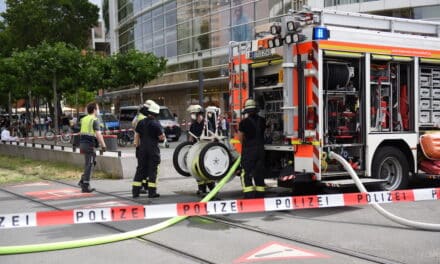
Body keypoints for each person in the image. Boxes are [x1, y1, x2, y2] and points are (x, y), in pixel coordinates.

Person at [132, 100, 164, 198]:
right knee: (152, 171)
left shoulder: (141, 122)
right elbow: (161, 137)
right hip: (153, 150)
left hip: (142, 150)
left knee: (140, 170)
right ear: (156, 113)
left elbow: (137, 135)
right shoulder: (156, 124)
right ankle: (151, 192)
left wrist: (137, 146)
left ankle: (135, 192)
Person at [237, 99, 266, 199]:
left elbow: (240, 137)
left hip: (249, 151)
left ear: (247, 111)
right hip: (261, 150)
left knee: (246, 173)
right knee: (259, 172)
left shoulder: (243, 123)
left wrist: (246, 144)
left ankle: (249, 195)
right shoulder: (262, 121)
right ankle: (260, 195)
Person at [187, 104, 216, 196]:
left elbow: (212, 137)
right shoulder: (193, 125)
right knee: (197, 169)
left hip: (206, 150)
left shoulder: (207, 124)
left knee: (207, 168)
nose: (192, 115)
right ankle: (202, 189)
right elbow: (190, 138)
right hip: (196, 149)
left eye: (193, 113)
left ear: (199, 114)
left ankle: (212, 189)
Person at [78, 102, 106, 193]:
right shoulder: (94, 119)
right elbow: (98, 134)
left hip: (82, 144)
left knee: (91, 162)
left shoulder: (84, 119)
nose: (98, 110)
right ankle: (85, 185)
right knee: (90, 164)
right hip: (89, 144)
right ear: (94, 110)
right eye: (97, 108)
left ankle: (83, 180)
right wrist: (103, 145)